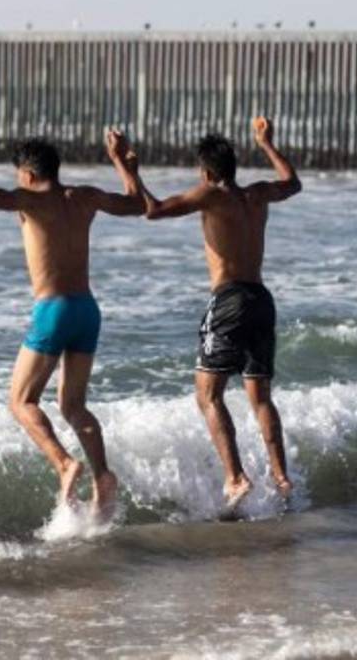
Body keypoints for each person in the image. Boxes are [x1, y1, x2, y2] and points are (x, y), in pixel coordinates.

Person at [0, 124, 142, 519]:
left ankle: (64, 464)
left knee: (20, 401)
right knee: (74, 406)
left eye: (20, 177)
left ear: (29, 175)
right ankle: (103, 476)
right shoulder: (83, 197)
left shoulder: (29, 200)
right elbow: (137, 204)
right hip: (87, 309)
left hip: (54, 310)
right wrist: (122, 162)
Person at [111, 117, 301, 510]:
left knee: (207, 395)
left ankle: (235, 478)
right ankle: (281, 477)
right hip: (261, 299)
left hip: (229, 299)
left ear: (207, 171)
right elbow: (293, 182)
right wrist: (266, 143)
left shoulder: (211, 195)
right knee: (260, 397)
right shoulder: (259, 194)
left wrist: (128, 168)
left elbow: (154, 210)